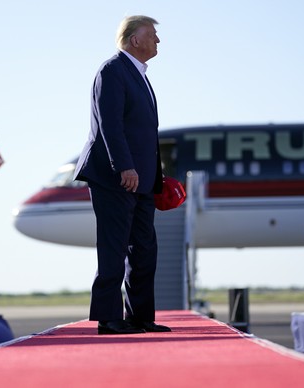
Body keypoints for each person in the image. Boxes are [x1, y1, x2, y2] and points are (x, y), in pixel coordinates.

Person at [73, 15, 171, 335]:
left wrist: (156, 175)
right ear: (134, 40)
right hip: (115, 176)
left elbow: (142, 133)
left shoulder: (139, 75)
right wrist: (124, 166)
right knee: (114, 249)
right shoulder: (113, 70)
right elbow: (109, 125)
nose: (158, 41)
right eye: (152, 35)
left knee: (144, 250)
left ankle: (140, 316)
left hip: (141, 179)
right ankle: (108, 317)